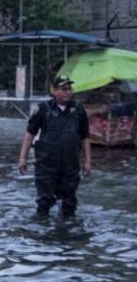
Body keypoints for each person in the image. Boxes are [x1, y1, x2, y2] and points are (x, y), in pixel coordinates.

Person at [18, 75, 91, 222]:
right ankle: (41, 233)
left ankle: (67, 232)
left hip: (70, 164)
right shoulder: (43, 109)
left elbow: (85, 136)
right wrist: (22, 158)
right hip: (46, 164)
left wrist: (88, 161)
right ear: (54, 91)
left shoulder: (78, 110)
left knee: (69, 202)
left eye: (69, 89)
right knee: (44, 202)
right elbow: (30, 133)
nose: (67, 92)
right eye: (63, 89)